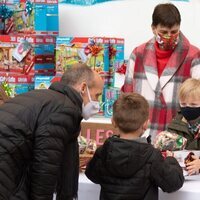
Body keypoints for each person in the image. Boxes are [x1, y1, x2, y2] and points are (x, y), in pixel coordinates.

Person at [0, 63, 104, 200]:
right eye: (97, 95)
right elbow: (45, 166)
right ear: (83, 88)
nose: (97, 102)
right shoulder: (64, 109)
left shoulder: (46, 98)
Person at [122, 3, 200, 141]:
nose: (169, 36)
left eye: (174, 32)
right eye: (164, 32)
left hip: (180, 138)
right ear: (153, 28)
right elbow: (126, 97)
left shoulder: (194, 56)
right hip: (143, 136)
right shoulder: (138, 54)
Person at [85, 93, 184, 200]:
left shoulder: (103, 152)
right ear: (145, 125)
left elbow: (91, 174)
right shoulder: (152, 156)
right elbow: (173, 183)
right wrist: (171, 160)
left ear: (113, 122)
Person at [166, 78, 200, 175]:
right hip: (182, 178)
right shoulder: (174, 125)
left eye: (193, 104)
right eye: (183, 104)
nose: (188, 107)